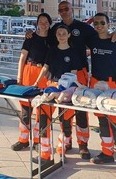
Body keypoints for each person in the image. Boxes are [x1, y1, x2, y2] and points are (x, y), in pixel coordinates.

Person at [26, 1, 116, 160]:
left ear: (72, 10)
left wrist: (114, 33)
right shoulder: (56, 29)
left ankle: (83, 145)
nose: (64, 12)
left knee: (80, 109)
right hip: (58, 76)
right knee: (64, 112)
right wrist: (30, 34)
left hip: (80, 73)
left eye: (66, 9)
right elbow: (43, 38)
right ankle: (66, 141)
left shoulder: (83, 28)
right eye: (61, 9)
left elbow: (100, 36)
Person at [88, 13, 116, 179]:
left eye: (102, 23)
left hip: (113, 85)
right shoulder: (92, 39)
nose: (99, 26)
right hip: (96, 84)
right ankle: (107, 152)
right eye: (96, 23)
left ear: (108, 24)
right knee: (102, 120)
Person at [32, 24, 84, 157]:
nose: (61, 36)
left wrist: (66, 90)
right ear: (55, 36)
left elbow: (73, 74)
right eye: (58, 33)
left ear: (69, 35)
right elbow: (45, 68)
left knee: (65, 119)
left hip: (66, 90)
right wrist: (36, 82)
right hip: (51, 86)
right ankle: (45, 152)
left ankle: (63, 147)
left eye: (63, 33)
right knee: (44, 116)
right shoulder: (52, 50)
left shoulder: (73, 53)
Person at [12, 13, 53, 168]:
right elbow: (22, 58)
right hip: (29, 71)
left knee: (42, 109)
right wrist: (19, 76)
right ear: (37, 24)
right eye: (40, 22)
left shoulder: (53, 39)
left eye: (45, 22)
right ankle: (23, 140)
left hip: (44, 74)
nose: (43, 24)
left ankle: (37, 140)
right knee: (25, 108)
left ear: (49, 23)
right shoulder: (30, 38)